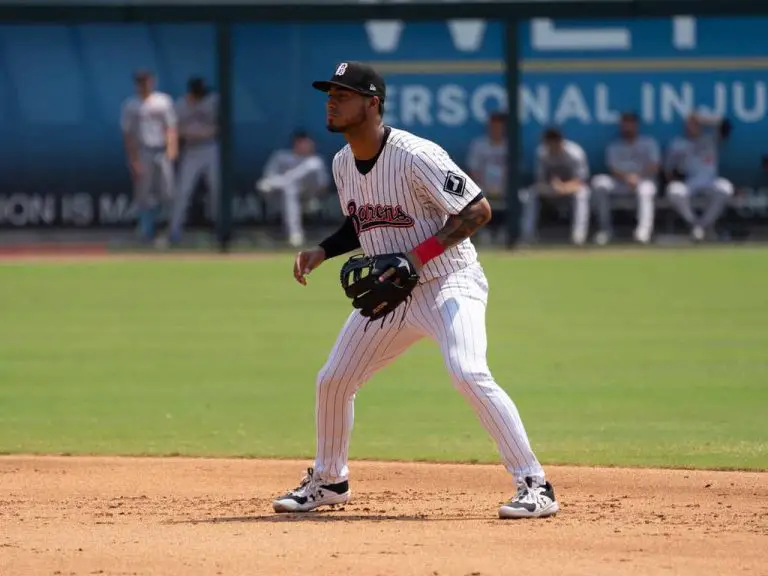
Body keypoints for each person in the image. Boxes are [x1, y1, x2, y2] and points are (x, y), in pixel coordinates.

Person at [271, 61, 559, 520]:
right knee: (334, 380)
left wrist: (416, 257)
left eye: (342, 95)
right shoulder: (342, 162)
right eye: (330, 93)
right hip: (392, 290)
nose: (331, 100)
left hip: (449, 280)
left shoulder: (416, 154)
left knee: (467, 370)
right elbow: (362, 219)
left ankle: (535, 484)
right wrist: (323, 251)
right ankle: (329, 480)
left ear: (372, 104)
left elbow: (477, 210)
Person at [120, 69, 178, 243]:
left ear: (152, 81)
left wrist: (172, 149)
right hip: (143, 150)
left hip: (161, 150)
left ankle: (168, 231)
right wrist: (133, 159)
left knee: (167, 192)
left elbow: (171, 127)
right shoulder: (131, 105)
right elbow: (127, 134)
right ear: (136, 84)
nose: (144, 84)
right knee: (143, 194)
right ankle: (146, 231)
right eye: (140, 81)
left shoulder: (163, 101)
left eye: (146, 81)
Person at [590, 112, 660, 245]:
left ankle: (643, 232)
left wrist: (637, 177)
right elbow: (612, 168)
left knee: (646, 190)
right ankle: (605, 230)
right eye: (624, 124)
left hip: (643, 181)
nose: (627, 127)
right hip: (620, 182)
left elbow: (654, 165)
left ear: (636, 125)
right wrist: (627, 178)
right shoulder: (614, 145)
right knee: (599, 183)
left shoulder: (648, 142)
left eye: (630, 124)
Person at [664, 113, 734, 241]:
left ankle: (702, 225)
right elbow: (668, 170)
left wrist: (705, 119)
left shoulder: (710, 139)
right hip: (690, 182)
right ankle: (694, 223)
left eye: (696, 124)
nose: (693, 127)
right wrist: (676, 178)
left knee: (725, 188)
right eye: (690, 124)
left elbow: (726, 125)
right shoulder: (678, 144)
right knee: (674, 190)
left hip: (710, 181)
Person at [168, 77, 220, 244]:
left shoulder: (213, 100)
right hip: (191, 150)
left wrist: (208, 132)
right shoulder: (181, 104)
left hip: (210, 147)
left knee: (217, 188)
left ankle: (219, 229)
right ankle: (174, 231)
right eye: (197, 92)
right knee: (183, 191)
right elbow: (174, 129)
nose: (200, 95)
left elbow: (222, 125)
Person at [256, 131, 330, 248]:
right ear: (296, 143)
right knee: (290, 189)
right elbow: (268, 177)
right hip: (280, 198)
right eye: (303, 143)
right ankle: (295, 234)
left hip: (308, 198)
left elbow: (323, 185)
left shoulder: (315, 160)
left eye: (308, 143)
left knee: (312, 165)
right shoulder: (281, 156)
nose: (307, 146)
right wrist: (289, 183)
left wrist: (288, 179)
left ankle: (295, 233)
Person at [521, 128, 590, 246]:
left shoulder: (575, 153)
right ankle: (528, 235)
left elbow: (581, 180)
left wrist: (564, 187)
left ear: (561, 141)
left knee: (582, 194)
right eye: (549, 144)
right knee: (532, 193)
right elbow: (540, 180)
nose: (552, 147)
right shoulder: (542, 153)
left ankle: (578, 236)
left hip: (571, 189)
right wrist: (553, 186)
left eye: (555, 143)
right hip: (551, 189)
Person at [466, 111, 507, 204]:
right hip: (482, 186)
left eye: (499, 127)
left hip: (505, 187)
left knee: (522, 196)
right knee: (472, 193)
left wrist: (500, 187)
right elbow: (473, 170)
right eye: (493, 126)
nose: (496, 129)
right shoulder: (478, 144)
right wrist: (487, 187)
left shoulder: (510, 146)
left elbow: (513, 171)